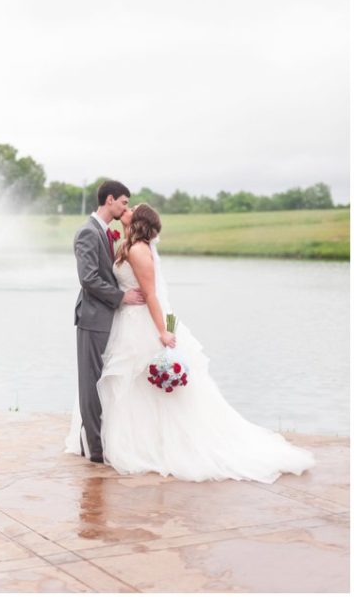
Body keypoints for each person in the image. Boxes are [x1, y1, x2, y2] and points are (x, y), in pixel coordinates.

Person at [67, 203, 315, 482]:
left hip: (140, 323)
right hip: (124, 322)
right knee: (123, 386)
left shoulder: (138, 250)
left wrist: (162, 332)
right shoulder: (128, 244)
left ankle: (151, 445)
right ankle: (129, 442)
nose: (129, 207)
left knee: (136, 384)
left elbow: (151, 295)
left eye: (132, 207)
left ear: (138, 220)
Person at [70, 180, 146, 463]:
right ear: (110, 200)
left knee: (102, 381)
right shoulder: (88, 233)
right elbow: (88, 279)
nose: (126, 207)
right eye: (124, 202)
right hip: (93, 317)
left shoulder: (104, 232)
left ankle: (94, 441)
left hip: (106, 317)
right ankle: (94, 449)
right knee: (91, 383)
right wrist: (121, 297)